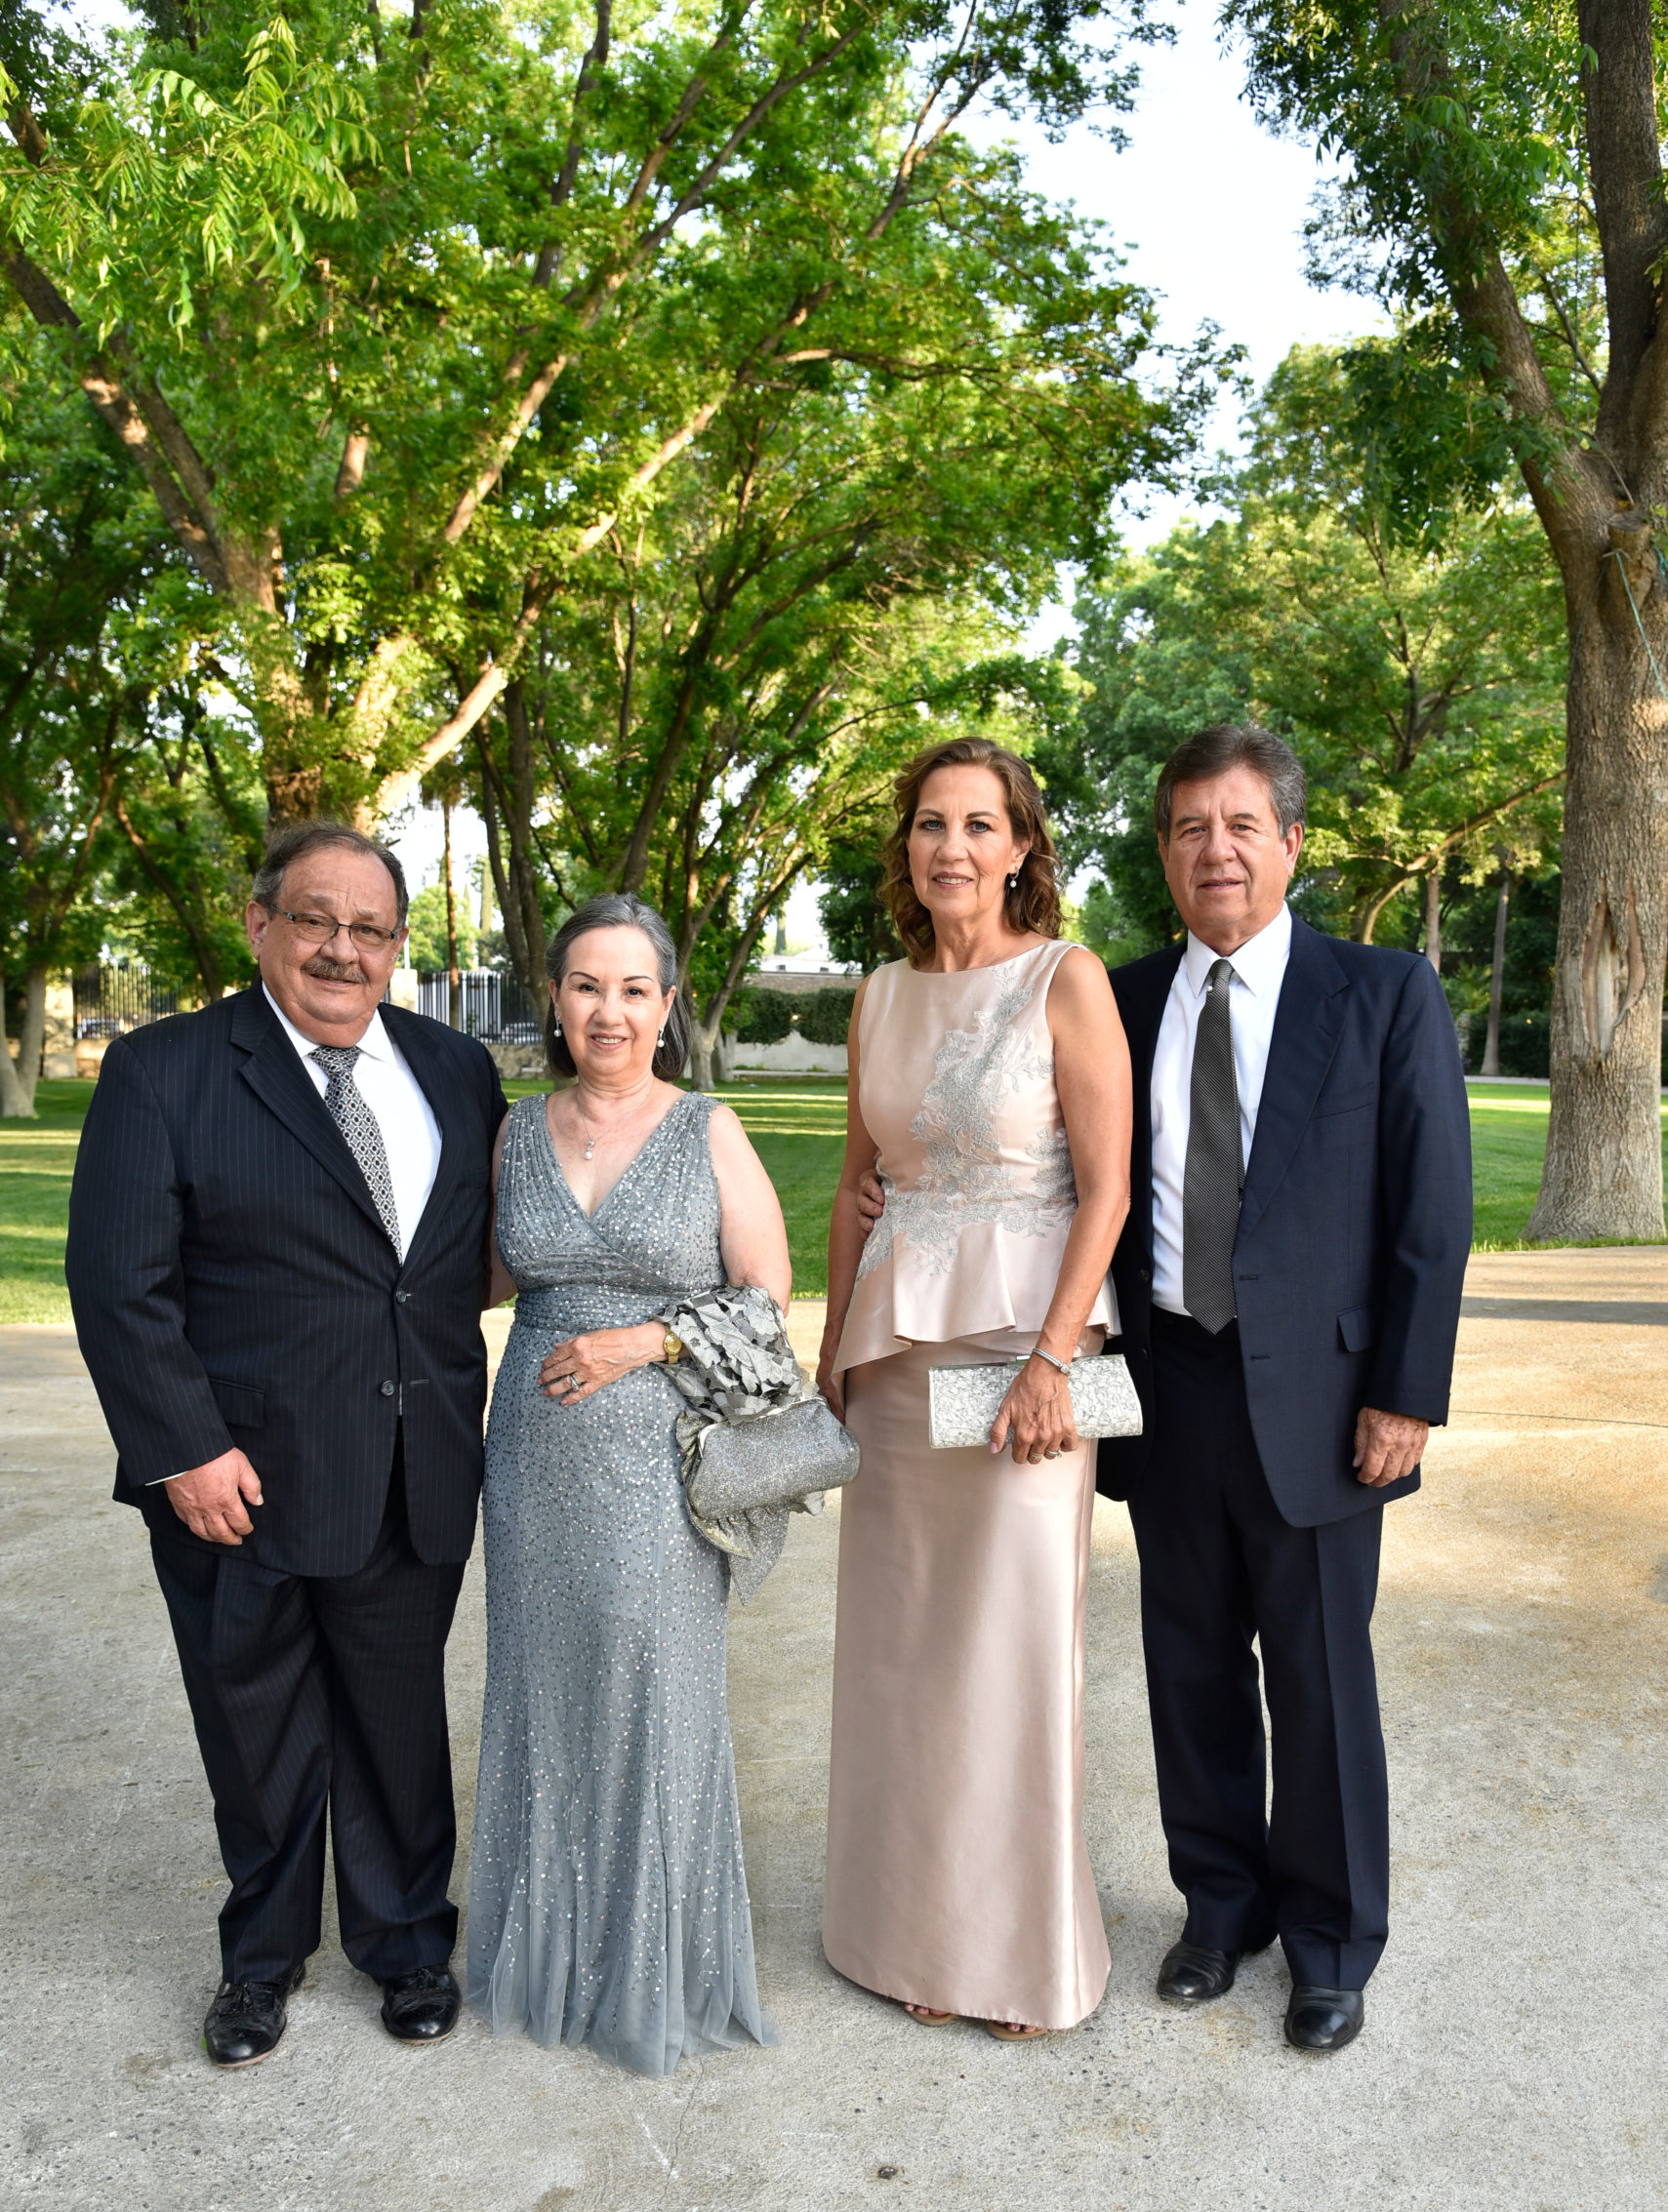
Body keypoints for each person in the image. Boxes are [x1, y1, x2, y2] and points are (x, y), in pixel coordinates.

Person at [66, 823, 509, 2066]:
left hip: (413, 1465)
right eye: (315, 917)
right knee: (255, 1730)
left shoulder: (455, 1069)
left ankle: (408, 1941)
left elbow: (461, 1260)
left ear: (399, 949)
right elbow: (116, 1282)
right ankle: (259, 1963)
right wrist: (183, 1447)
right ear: (258, 922)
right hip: (237, 1480)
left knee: (395, 1719)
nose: (341, 948)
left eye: (370, 928)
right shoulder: (164, 1070)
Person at [1095, 723, 1472, 2054]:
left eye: (1241, 825)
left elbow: (1430, 1213)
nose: (1216, 850)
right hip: (1168, 1385)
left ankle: (1329, 1940)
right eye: (1191, 827)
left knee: (1316, 1677)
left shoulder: (1379, 994)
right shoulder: (1119, 999)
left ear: (1291, 844)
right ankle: (1221, 1906)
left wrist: (1404, 1392)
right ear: (1163, 850)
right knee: (1187, 1667)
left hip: (1321, 1400)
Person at [817, 738, 1131, 2041]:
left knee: (1009, 1655)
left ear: (1020, 848)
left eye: (979, 825)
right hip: (897, 1373)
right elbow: (854, 1184)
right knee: (900, 1653)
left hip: (1024, 1371)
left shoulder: (1066, 978)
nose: (951, 847)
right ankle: (900, 1936)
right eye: (930, 824)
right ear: (908, 847)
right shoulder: (878, 995)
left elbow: (1108, 1189)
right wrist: (831, 1358)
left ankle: (1016, 1959)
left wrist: (1058, 1360)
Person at [467, 893, 793, 2076]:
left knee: (651, 1686)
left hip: (658, 1460)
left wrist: (639, 1343)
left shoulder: (706, 1126)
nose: (608, 1010)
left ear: (665, 1006)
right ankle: (547, 1954)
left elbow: (765, 1301)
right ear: (555, 999)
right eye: (586, 986)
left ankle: (656, 1966)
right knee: (541, 1686)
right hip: (534, 1459)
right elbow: (486, 1279)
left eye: (633, 988)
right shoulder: (511, 1130)